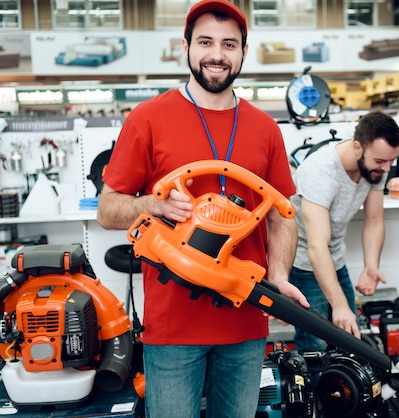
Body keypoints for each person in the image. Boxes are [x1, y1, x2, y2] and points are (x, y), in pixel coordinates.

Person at [96, 1, 308, 417]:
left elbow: (283, 215)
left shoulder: (264, 128)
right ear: (187, 47)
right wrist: (152, 204)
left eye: (229, 44)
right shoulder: (148, 119)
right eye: (206, 42)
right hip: (173, 326)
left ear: (244, 51)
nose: (217, 54)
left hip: (246, 318)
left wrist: (279, 277)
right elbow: (108, 209)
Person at [289, 110, 399, 352]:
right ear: (358, 147)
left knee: (350, 337)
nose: (386, 168)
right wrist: (338, 305)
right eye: (381, 161)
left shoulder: (376, 167)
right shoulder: (321, 171)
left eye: (391, 160)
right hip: (305, 264)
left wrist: (371, 265)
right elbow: (317, 246)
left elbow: (374, 220)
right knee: (315, 345)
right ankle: (314, 390)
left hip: (335, 259)